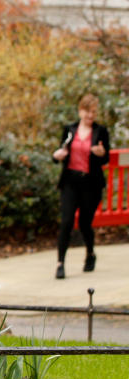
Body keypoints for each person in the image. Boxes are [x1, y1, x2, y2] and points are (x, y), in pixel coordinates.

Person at [52, 92, 110, 279]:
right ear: (80, 111)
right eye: (87, 112)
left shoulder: (101, 131)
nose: (90, 116)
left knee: (85, 223)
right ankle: (60, 263)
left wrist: (101, 153)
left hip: (90, 184)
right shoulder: (70, 130)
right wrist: (57, 155)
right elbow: (62, 150)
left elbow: (106, 157)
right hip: (70, 181)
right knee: (67, 221)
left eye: (93, 112)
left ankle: (90, 254)